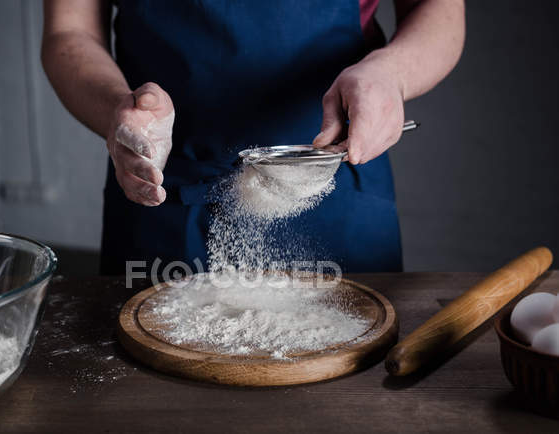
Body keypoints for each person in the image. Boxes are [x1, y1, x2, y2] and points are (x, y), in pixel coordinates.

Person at [41, 0, 465, 275]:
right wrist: (120, 110)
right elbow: (70, 31)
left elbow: (439, 12)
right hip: (163, 190)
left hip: (328, 178)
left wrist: (390, 73)